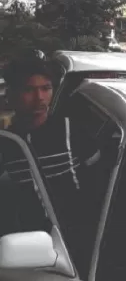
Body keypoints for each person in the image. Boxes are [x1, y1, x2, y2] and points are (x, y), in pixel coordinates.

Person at [0, 55, 101, 237]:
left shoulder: (72, 130)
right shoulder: (7, 141)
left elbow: (98, 183)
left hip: (81, 237)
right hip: (31, 240)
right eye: (28, 90)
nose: (39, 98)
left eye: (46, 88)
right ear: (12, 94)